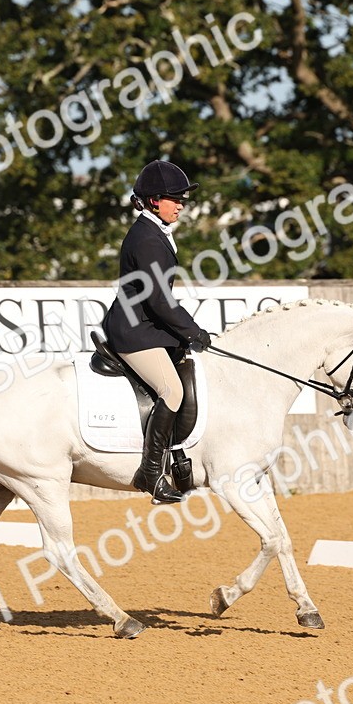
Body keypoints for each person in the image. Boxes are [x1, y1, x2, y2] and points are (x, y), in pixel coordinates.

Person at [101, 160, 213, 503]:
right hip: (135, 331)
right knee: (172, 390)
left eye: (183, 199)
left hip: (147, 325)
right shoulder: (147, 239)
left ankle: (178, 458)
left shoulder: (154, 232)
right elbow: (160, 301)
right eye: (174, 198)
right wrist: (193, 331)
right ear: (153, 201)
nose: (181, 204)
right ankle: (150, 473)